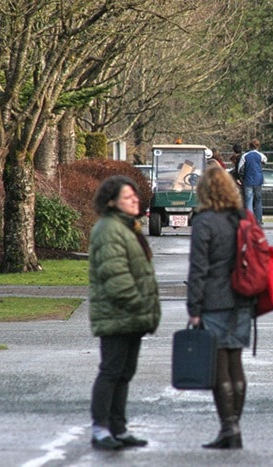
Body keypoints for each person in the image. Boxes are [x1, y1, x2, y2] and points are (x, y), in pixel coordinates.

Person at [88, 176, 161, 451]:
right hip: (117, 314)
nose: (134, 200)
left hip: (130, 316)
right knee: (111, 371)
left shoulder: (128, 227)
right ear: (111, 202)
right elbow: (115, 276)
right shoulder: (109, 229)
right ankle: (101, 428)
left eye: (135, 196)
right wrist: (139, 305)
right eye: (127, 197)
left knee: (124, 372)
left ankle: (118, 427)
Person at [186, 165, 255, 450]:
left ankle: (228, 427)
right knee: (236, 361)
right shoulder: (241, 218)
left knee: (219, 366)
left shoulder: (204, 221)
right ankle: (234, 426)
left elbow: (198, 268)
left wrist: (194, 306)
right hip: (242, 298)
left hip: (214, 300)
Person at [237, 138, 267, 224]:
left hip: (248, 180)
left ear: (250, 146)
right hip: (258, 180)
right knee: (258, 200)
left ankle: (250, 219)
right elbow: (265, 161)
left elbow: (240, 169)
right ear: (258, 146)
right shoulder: (261, 155)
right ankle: (259, 219)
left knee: (249, 200)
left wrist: (241, 177)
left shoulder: (245, 156)